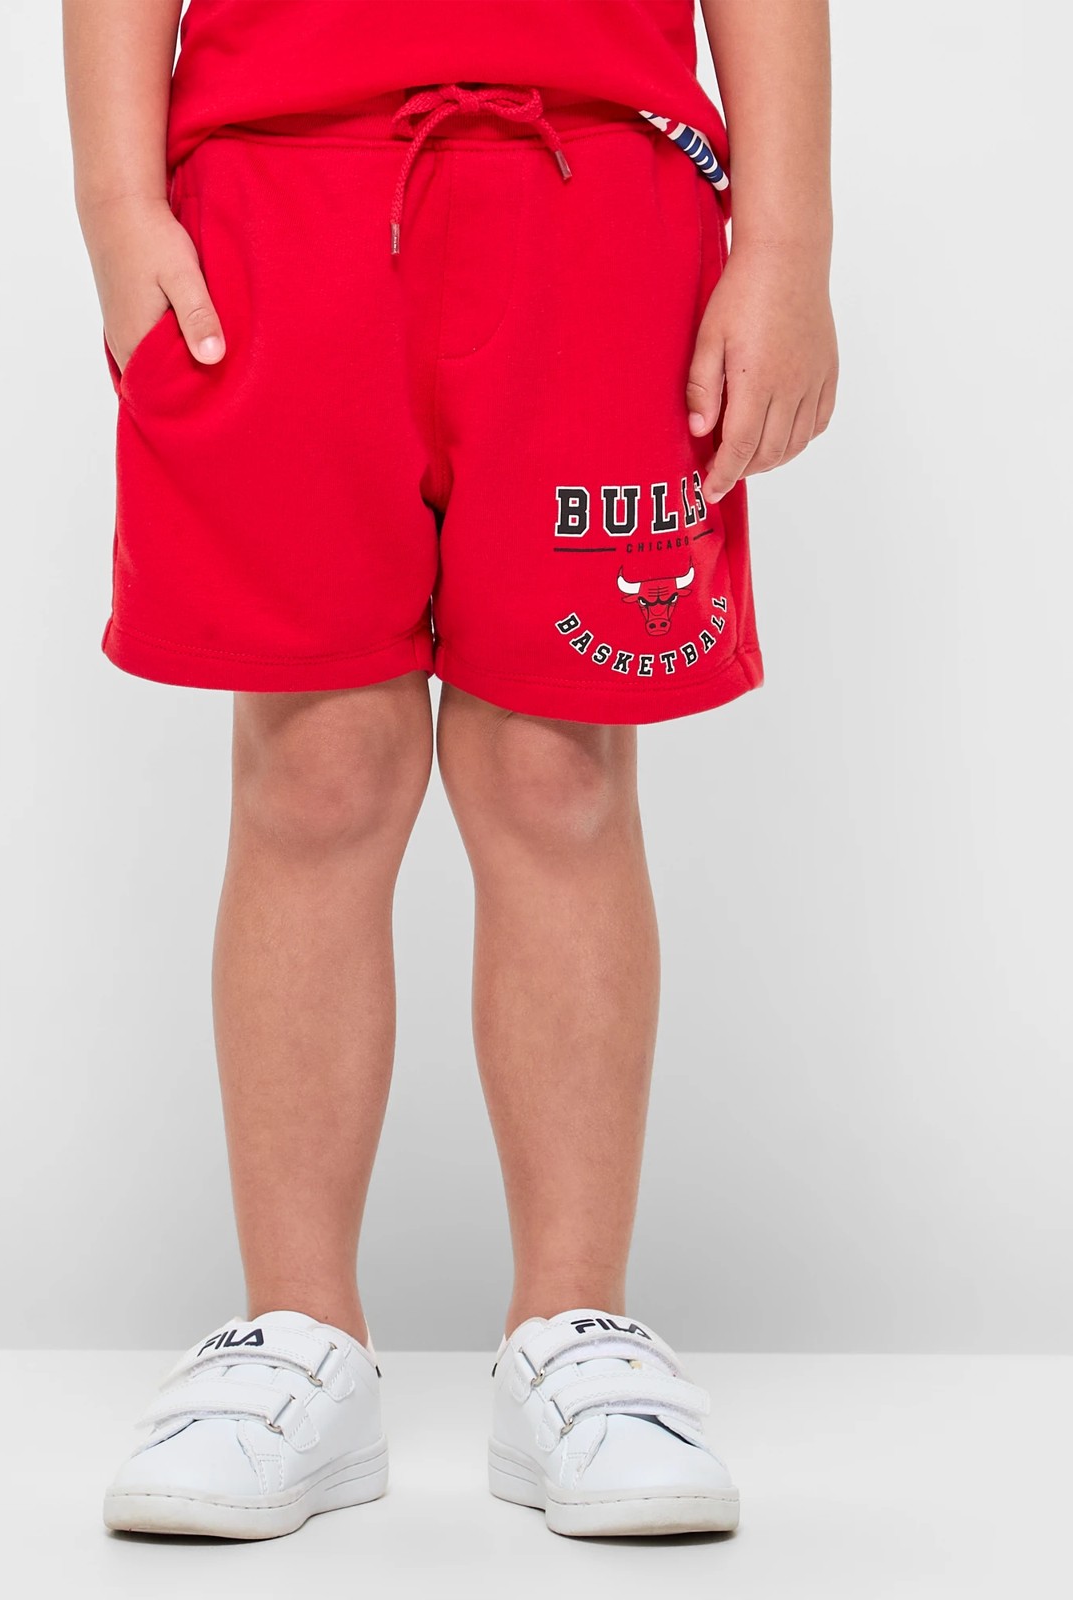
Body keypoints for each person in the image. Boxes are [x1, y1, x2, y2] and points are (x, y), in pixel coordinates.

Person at [64, 0, 836, 1542]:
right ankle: (297, 1335)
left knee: (559, 772)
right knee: (317, 766)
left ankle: (576, 1331)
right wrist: (115, 199)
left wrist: (787, 242)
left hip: (596, 182)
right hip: (274, 194)